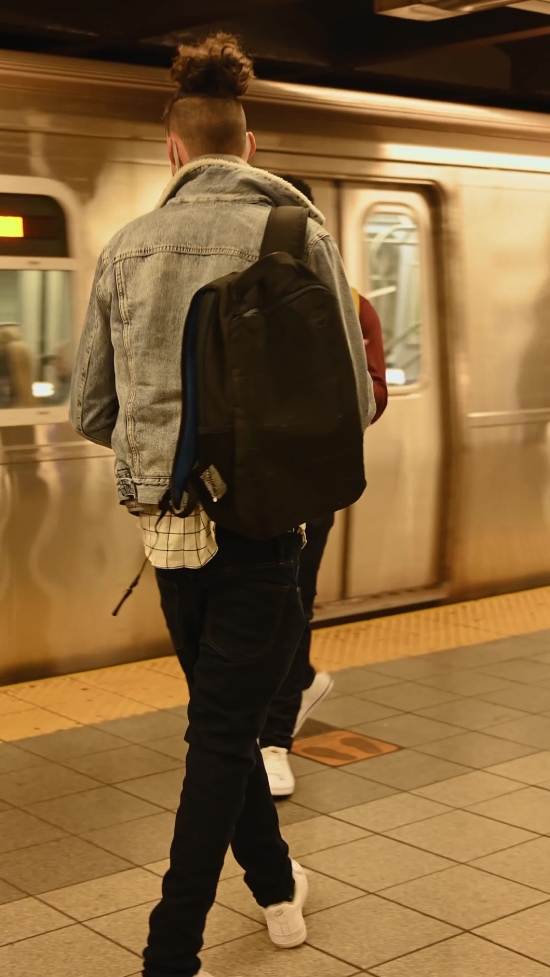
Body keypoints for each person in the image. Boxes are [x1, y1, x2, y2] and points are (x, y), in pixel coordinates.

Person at [70, 33, 375, 977]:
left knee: (221, 723)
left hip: (168, 535)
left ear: (173, 148)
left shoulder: (126, 246)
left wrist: (164, 449)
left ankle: (278, 890)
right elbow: (355, 399)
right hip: (267, 533)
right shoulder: (299, 234)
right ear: (249, 145)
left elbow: (91, 410)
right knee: (222, 734)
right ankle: (172, 952)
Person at [260, 176, 388, 798]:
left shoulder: (351, 304)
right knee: (258, 604)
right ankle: (298, 685)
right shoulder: (231, 292)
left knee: (290, 601)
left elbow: (373, 396)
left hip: (309, 482)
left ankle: (274, 739)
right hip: (244, 482)